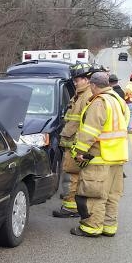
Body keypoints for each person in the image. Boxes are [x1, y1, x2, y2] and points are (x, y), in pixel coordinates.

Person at [70, 71, 129, 237]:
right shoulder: (118, 100)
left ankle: (91, 227)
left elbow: (89, 131)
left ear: (94, 85)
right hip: (117, 156)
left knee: (94, 194)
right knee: (112, 195)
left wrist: (80, 152)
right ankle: (109, 227)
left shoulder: (99, 102)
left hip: (100, 156)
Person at [53, 62, 96, 218]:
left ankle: (71, 208)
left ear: (86, 79)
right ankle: (73, 205)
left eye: (77, 79)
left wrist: (79, 147)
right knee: (71, 176)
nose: (75, 82)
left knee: (72, 176)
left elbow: (87, 124)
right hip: (70, 143)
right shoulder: (79, 94)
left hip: (75, 145)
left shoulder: (87, 96)